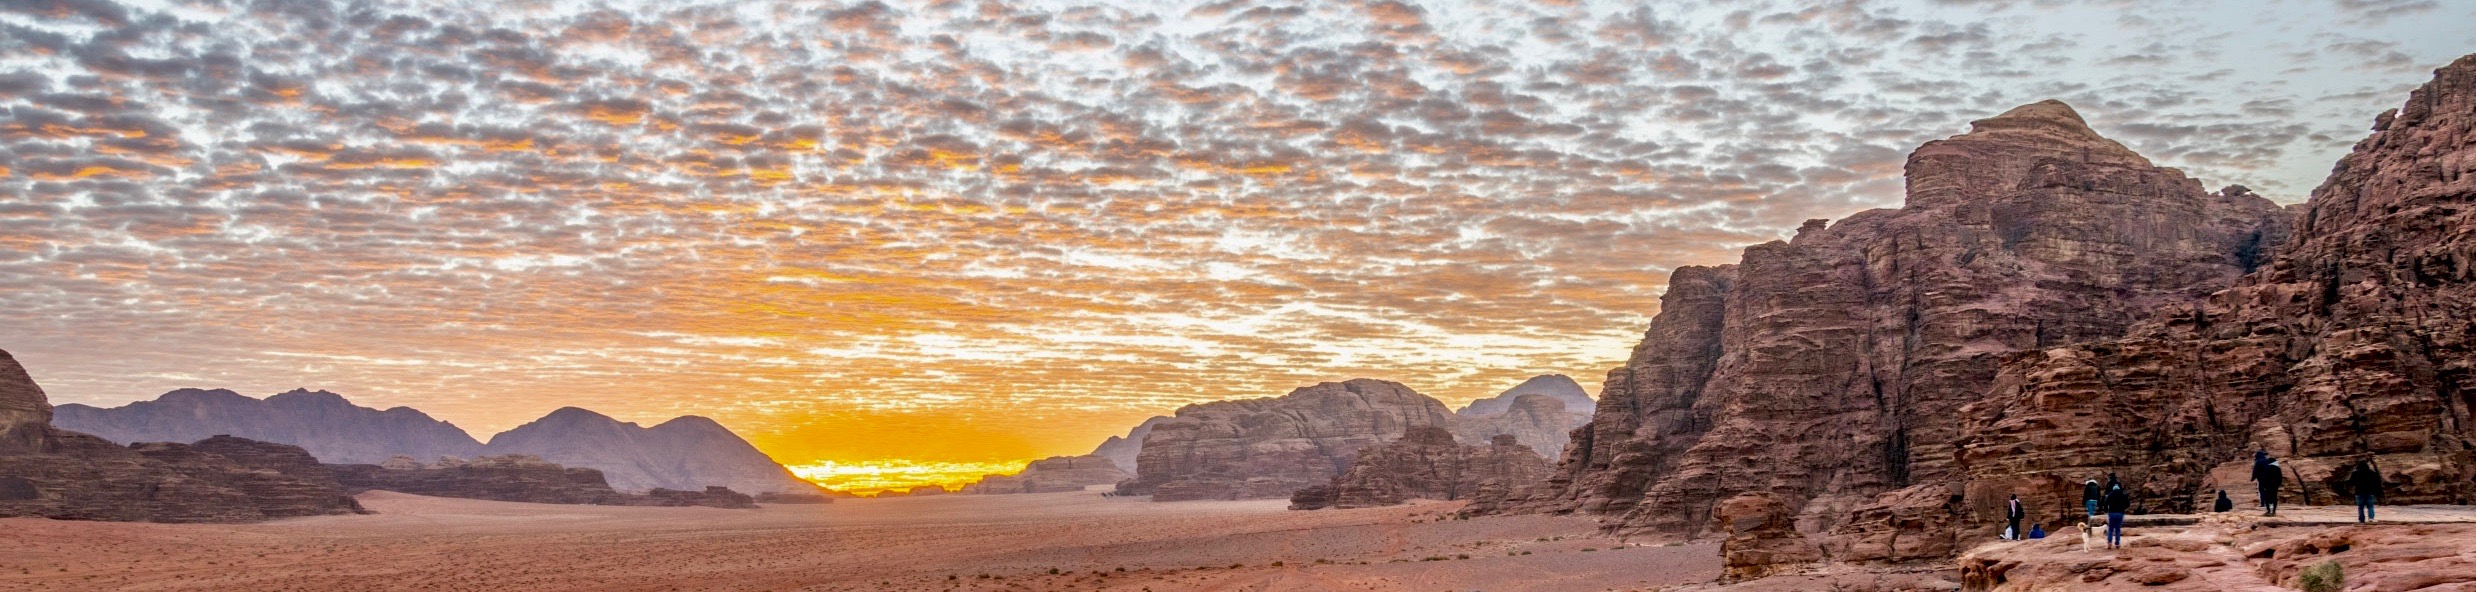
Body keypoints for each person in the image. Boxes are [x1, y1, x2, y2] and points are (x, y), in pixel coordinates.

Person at [2101, 482, 2131, 549]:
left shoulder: (2110, 495)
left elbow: (2105, 503)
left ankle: (2109, 542)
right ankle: (2117, 543)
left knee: (2110, 528)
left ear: (2113, 489)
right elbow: (2128, 504)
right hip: (2120, 513)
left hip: (2112, 513)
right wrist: (2123, 508)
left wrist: (2106, 510)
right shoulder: (2123, 495)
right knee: (2117, 529)